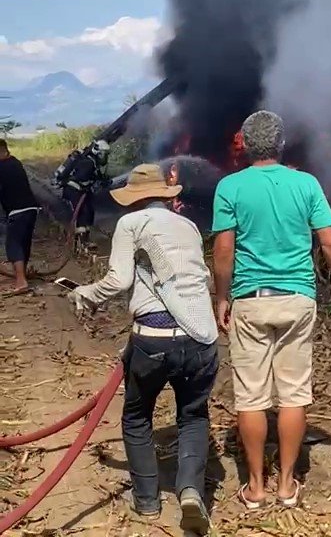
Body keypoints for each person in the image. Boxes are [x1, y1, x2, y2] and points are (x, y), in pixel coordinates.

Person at [69, 164, 218, 535]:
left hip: (153, 341)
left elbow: (119, 280)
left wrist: (86, 293)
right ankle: (189, 491)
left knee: (137, 416)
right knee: (194, 417)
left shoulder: (131, 225)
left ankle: (148, 501)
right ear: (165, 196)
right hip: (201, 339)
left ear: (133, 199)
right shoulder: (188, 226)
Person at [212, 111, 331, 510]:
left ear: (246, 146)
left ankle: (255, 487)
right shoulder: (306, 184)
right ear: (281, 144)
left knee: (251, 397)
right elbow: (329, 242)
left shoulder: (230, 186)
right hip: (297, 299)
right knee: (293, 394)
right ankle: (287, 485)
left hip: (251, 300)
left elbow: (223, 250)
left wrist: (222, 297)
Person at [56, 139, 111, 248]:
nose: (105, 157)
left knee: (89, 211)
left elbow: (94, 176)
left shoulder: (91, 161)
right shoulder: (88, 163)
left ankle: (83, 238)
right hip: (74, 190)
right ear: (98, 153)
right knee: (83, 213)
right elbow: (82, 178)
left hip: (80, 190)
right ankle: (81, 241)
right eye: (104, 154)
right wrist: (95, 182)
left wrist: (101, 179)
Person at [0, 138, 38, 293]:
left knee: (13, 244)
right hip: (31, 209)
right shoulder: (15, 162)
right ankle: (22, 276)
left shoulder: (2, 167)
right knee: (23, 243)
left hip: (18, 210)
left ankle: (21, 281)